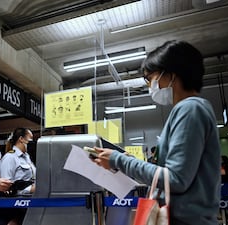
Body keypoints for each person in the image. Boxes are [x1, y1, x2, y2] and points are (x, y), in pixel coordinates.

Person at [93, 40, 221, 225]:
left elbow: (175, 179)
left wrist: (118, 160)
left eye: (150, 78)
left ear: (171, 74)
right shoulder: (192, 109)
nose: (149, 85)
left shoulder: (190, 109)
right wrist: (129, 162)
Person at [1, 128, 36, 195]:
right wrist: (30, 189)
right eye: (30, 138)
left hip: (31, 198)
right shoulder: (10, 157)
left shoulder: (27, 156)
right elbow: (6, 185)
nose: (32, 141)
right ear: (21, 139)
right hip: (16, 199)